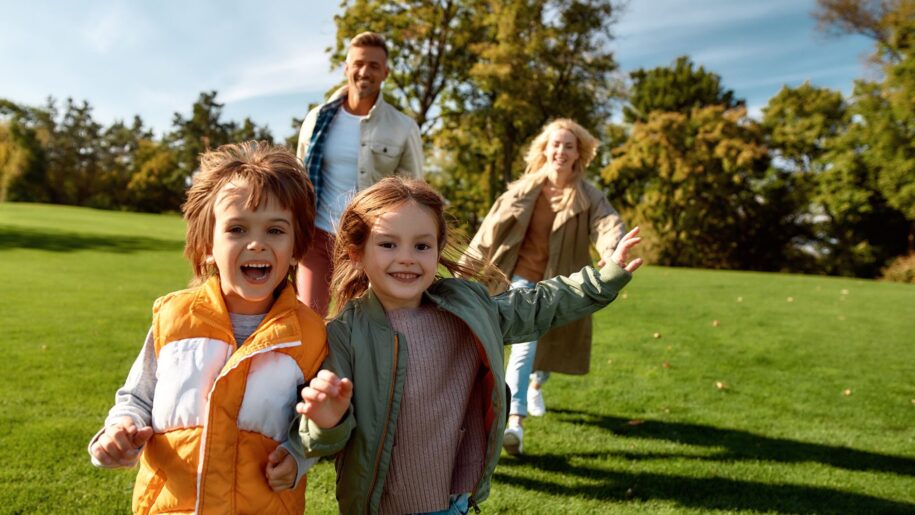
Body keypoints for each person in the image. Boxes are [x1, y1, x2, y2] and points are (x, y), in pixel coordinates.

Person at [286, 177, 642, 514]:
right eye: (388, 244)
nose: (407, 257)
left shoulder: (468, 309)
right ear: (357, 252)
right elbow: (321, 441)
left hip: (454, 503)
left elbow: (537, 305)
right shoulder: (345, 335)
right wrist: (327, 420)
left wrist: (605, 277)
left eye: (422, 246)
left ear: (438, 249)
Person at [87, 142, 328, 514]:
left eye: (275, 230)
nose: (256, 243)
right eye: (237, 229)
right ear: (207, 245)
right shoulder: (174, 317)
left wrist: (298, 457)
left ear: (297, 247)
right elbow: (137, 398)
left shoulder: (309, 335)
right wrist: (118, 430)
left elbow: (315, 429)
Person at [465, 118, 626, 455]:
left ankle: (537, 383)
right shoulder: (521, 191)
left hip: (559, 283)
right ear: (545, 149)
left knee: (547, 348)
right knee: (524, 347)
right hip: (518, 279)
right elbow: (487, 233)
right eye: (555, 144)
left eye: (569, 146)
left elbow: (607, 224)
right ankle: (515, 423)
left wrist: (612, 252)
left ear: (579, 153)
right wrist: (465, 269)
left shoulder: (588, 196)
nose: (561, 151)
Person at [295, 31, 424, 317]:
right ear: (346, 68)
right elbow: (298, 178)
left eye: (374, 66)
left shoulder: (403, 127)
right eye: (359, 64)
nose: (365, 71)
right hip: (318, 236)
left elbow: (414, 193)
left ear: (385, 73)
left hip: (368, 241)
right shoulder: (317, 119)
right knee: (309, 318)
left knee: (360, 325)